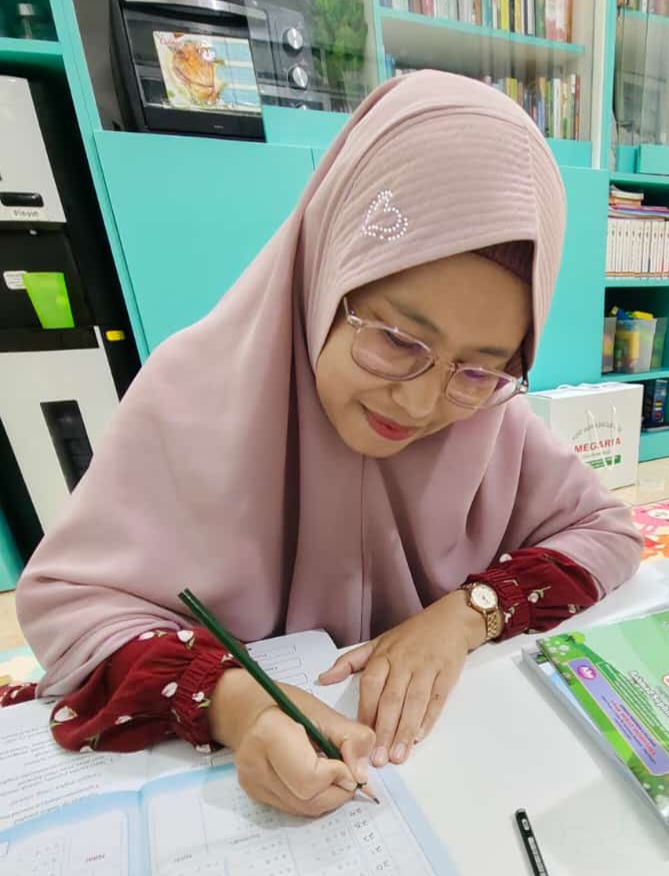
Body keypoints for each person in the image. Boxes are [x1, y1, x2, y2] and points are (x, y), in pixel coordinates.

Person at [6, 71, 641, 818]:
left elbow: (607, 532)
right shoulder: (191, 392)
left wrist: (466, 613)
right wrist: (239, 705)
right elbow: (73, 612)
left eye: (478, 367)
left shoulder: (489, 418)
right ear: (325, 273)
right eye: (397, 339)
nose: (421, 404)